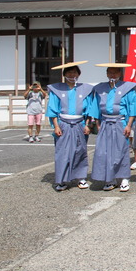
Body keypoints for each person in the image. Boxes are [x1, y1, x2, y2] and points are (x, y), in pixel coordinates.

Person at [88, 63, 136, 192]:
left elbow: (132, 108)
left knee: (121, 150)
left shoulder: (127, 88)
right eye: (110, 72)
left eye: (115, 72)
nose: (113, 75)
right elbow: (95, 108)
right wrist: (98, 125)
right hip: (105, 123)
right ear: (106, 74)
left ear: (120, 74)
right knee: (104, 152)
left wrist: (129, 125)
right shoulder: (100, 89)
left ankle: (124, 178)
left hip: (121, 122)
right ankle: (109, 179)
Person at [46, 60, 93, 191]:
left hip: (80, 123)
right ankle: (62, 180)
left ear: (79, 74)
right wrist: (56, 126)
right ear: (64, 74)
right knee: (62, 152)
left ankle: (81, 177)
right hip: (63, 124)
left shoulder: (85, 89)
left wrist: (88, 125)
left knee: (80, 150)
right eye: (69, 72)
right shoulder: (57, 89)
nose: (72, 75)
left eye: (75, 72)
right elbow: (52, 109)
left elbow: (89, 109)